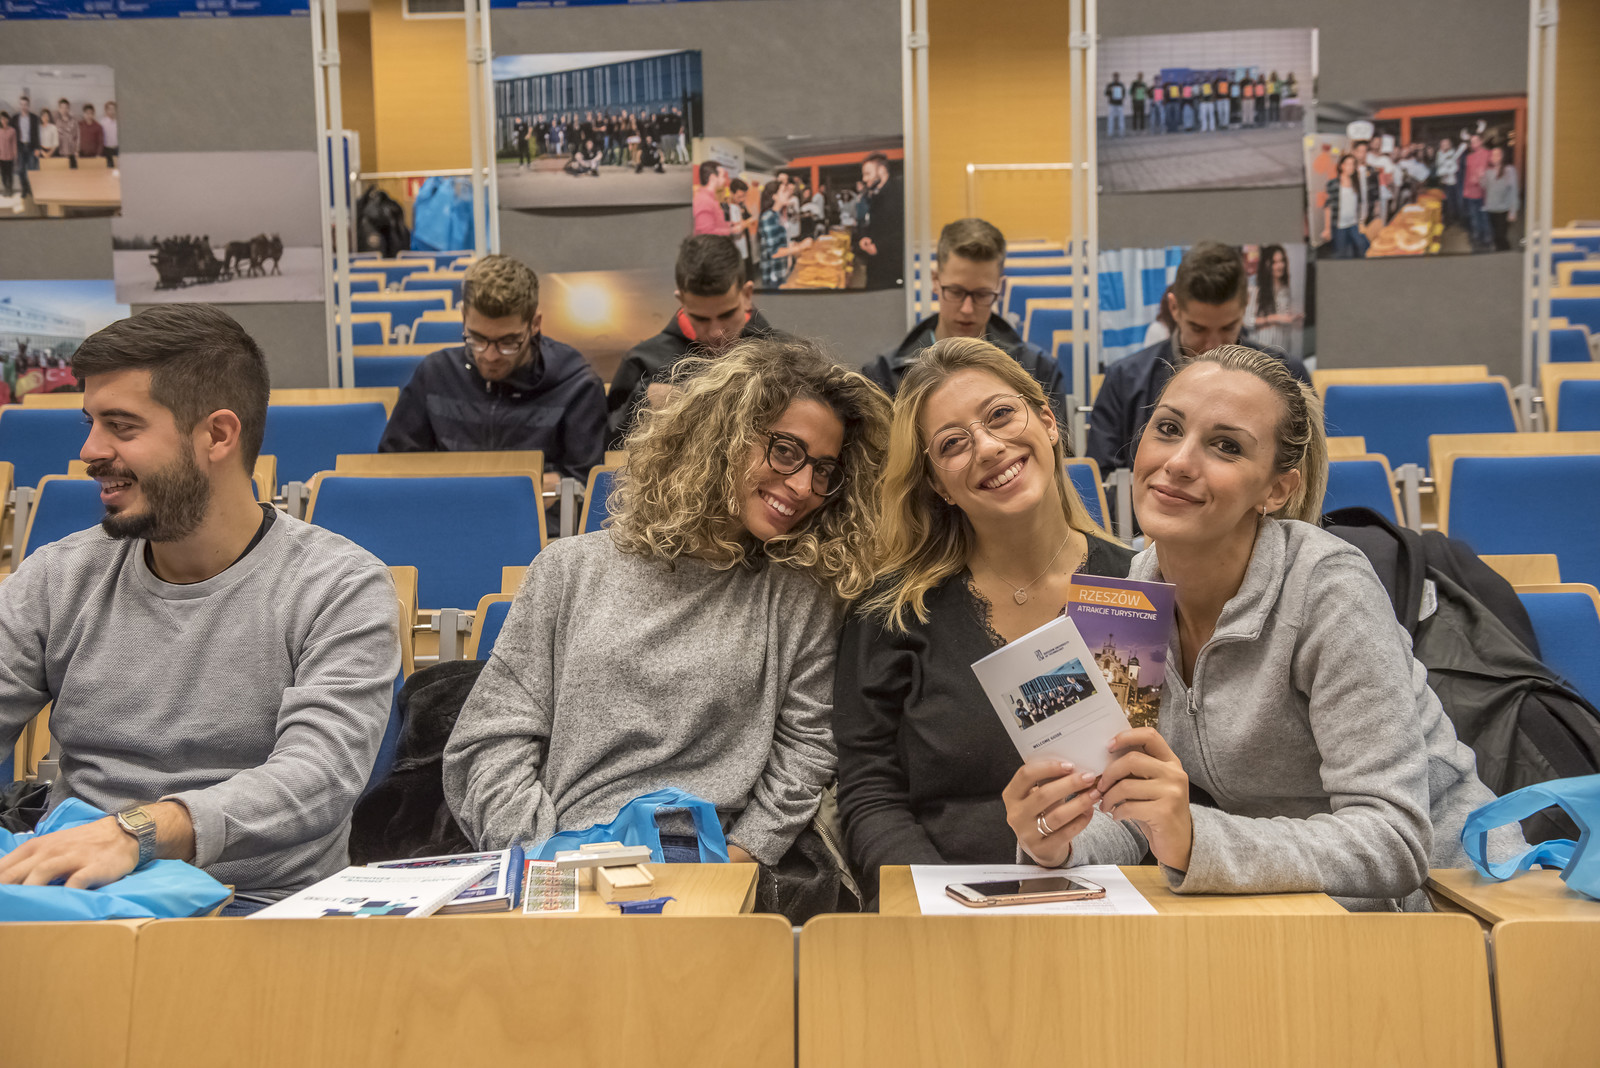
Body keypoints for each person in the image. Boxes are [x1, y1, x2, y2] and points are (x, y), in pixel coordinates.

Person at [1003, 345, 1521, 910]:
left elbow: (1392, 840)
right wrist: (1058, 841)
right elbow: (1129, 811)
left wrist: (1193, 837)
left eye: (1226, 446)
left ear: (1276, 490)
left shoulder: (1330, 589)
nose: (1179, 461)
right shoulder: (1126, 602)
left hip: (1457, 903)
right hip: (1288, 904)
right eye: (1168, 429)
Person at [445, 337, 890, 919]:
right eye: (786, 451)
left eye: (823, 470)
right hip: (562, 861)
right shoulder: (569, 570)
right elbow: (491, 742)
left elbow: (806, 750)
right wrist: (542, 855)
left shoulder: (801, 595)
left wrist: (740, 857)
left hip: (715, 869)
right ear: (722, 436)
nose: (804, 486)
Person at [0, 305, 398, 910]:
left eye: (121, 426)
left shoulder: (338, 585)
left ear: (217, 435)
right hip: (78, 899)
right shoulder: (58, 576)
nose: (89, 450)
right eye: (91, 423)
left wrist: (136, 834)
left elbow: (318, 777)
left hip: (264, 905)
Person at [835, 337, 1135, 906]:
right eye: (953, 443)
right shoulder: (891, 613)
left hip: (1115, 902)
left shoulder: (1136, 589)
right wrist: (941, 904)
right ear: (936, 484)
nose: (990, 447)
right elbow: (870, 794)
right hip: (943, 909)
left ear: (1048, 421)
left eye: (1000, 415)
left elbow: (1171, 784)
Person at [379, 254, 606, 488]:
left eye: (508, 342)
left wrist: (550, 486)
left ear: (535, 324)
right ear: (463, 318)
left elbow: (589, 481)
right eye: (477, 338)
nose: (490, 356)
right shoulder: (435, 374)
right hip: (449, 506)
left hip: (542, 512)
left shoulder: (576, 385)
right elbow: (394, 464)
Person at [1088, 241, 1309, 475]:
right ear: (1174, 308)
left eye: (1227, 327)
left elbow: (1304, 476)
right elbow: (1103, 484)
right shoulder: (1124, 380)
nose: (1213, 346)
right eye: (1198, 329)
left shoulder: (1287, 376)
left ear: (1245, 305)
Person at [864, 217, 1069, 426]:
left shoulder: (1039, 371)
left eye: (982, 294)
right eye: (956, 291)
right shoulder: (883, 376)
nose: (967, 309)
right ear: (935, 281)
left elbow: (1055, 445)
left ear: (1000, 288)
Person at [607, 235, 789, 450]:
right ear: (681, 301)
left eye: (727, 314)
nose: (716, 332)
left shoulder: (788, 357)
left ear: (747, 295)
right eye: (701, 318)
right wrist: (643, 400)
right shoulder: (643, 362)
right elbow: (611, 448)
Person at [857, 152, 904, 290]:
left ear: (882, 170)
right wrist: (865, 237)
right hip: (876, 262)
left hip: (891, 265)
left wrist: (879, 246)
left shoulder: (899, 193)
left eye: (868, 174)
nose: (864, 179)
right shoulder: (876, 194)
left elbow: (902, 230)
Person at [757, 179, 813, 290]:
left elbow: (780, 242)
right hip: (773, 275)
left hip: (782, 270)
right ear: (774, 197)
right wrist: (800, 247)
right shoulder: (768, 218)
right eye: (784, 191)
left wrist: (795, 244)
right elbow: (774, 253)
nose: (788, 193)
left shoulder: (777, 215)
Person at [1247, 244, 1302, 357]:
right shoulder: (1255, 290)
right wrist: (1274, 318)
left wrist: (1294, 319)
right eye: (1275, 262)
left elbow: (1287, 321)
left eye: (1282, 261)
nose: (1280, 266)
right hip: (1259, 353)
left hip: (1281, 352)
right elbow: (1247, 321)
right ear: (1266, 265)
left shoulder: (1286, 290)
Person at [1324, 153, 1370, 260]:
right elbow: (1328, 207)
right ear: (1341, 166)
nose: (1351, 167)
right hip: (1340, 226)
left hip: (1353, 224)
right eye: (1348, 164)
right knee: (1341, 254)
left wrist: (1361, 221)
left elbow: (1358, 204)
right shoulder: (1333, 184)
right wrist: (1327, 229)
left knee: (1362, 247)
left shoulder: (1355, 182)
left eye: (1353, 164)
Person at [1482, 144, 1520, 253]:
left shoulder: (1509, 170)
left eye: (1497, 154)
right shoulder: (1488, 171)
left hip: (1503, 209)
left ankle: (1505, 254)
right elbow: (1485, 187)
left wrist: (1513, 211)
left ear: (1502, 156)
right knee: (1495, 235)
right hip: (1491, 208)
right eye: (1492, 155)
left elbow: (1513, 191)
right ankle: (1499, 254)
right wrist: (1481, 178)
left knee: (1501, 236)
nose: (1494, 157)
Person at [1461, 133, 1492, 251]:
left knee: (1484, 217)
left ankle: (1487, 239)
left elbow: (1493, 172)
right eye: (1472, 142)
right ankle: (1477, 238)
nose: (1473, 144)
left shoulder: (1488, 154)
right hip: (1471, 192)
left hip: (1484, 193)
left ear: (1481, 141)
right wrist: (1465, 190)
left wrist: (1482, 177)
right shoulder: (1469, 157)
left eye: (1476, 141)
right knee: (1474, 217)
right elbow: (1467, 175)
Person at [693, 160, 733, 237]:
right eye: (723, 176)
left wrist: (728, 225)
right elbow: (706, 233)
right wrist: (732, 231)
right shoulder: (703, 200)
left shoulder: (714, 198)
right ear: (713, 178)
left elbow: (716, 222)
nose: (725, 180)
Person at [12, 96, 38, 199]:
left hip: (31, 147)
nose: (23, 106)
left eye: (25, 104)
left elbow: (37, 134)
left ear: (29, 105)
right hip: (20, 147)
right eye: (22, 104)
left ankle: (31, 189)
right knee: (21, 170)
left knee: (32, 170)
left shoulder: (34, 118)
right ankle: (24, 188)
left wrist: (37, 148)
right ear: (19, 105)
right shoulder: (15, 118)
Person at [55, 97, 78, 166]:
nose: (64, 110)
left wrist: (77, 150)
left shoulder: (74, 121)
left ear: (69, 109)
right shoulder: (57, 122)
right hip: (60, 152)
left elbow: (77, 137)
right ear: (59, 109)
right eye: (62, 108)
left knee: (73, 171)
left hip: (72, 153)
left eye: (66, 108)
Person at [1105, 73, 1126, 138]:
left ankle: (1121, 132)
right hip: (1112, 104)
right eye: (1115, 77)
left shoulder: (1121, 85)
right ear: (1113, 77)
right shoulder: (1110, 85)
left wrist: (1122, 97)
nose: (1116, 78)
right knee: (1111, 118)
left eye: (1117, 77)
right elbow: (1106, 93)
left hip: (1119, 104)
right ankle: (1110, 132)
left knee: (1121, 118)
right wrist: (1109, 90)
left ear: (1118, 77)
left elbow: (1124, 94)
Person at [0, 113, 14, 198]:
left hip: (9, 157)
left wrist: (15, 155)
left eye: (5, 119)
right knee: (3, 174)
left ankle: (10, 189)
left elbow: (14, 144)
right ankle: (5, 188)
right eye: (2, 119)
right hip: (1, 157)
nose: (4, 120)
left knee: (9, 174)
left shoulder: (12, 131)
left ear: (8, 120)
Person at [100, 100, 117, 167]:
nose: (112, 111)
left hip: (117, 149)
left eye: (113, 109)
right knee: (109, 168)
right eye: (110, 109)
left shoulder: (117, 122)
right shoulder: (102, 123)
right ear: (106, 110)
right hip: (107, 149)